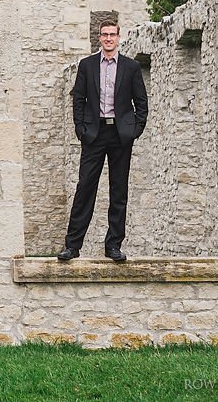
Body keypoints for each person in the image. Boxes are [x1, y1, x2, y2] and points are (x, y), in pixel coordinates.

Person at [57, 20, 148, 263]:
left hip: (120, 135)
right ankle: (72, 246)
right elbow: (79, 98)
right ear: (99, 38)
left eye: (112, 35)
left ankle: (114, 245)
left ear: (119, 38)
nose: (108, 39)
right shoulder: (87, 66)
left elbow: (141, 103)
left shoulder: (131, 67)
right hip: (94, 134)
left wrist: (134, 130)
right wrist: (81, 128)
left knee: (119, 191)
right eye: (105, 35)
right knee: (85, 187)